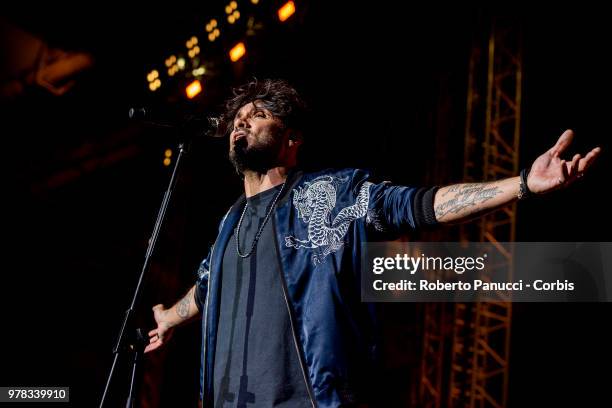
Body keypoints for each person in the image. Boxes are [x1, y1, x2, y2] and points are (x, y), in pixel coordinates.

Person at [144, 78, 601, 407]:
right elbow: (206, 288)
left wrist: (522, 184)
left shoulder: (331, 195)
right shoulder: (228, 224)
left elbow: (421, 205)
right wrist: (169, 317)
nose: (242, 123)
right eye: (239, 118)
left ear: (291, 139)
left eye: (258, 115)